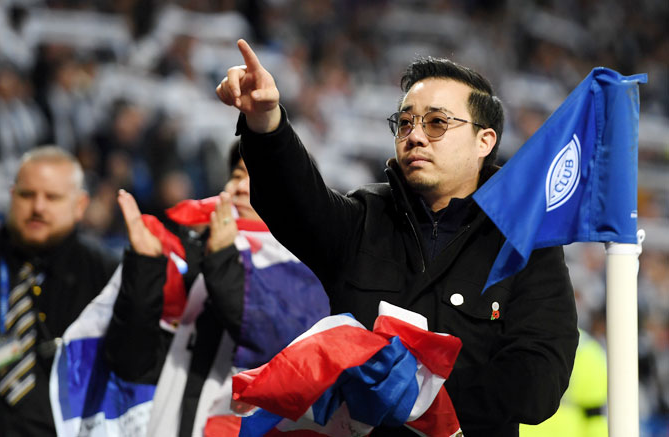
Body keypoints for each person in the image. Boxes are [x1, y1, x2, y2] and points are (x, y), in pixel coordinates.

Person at [215, 39, 579, 436]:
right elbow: (295, 204)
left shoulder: (526, 245)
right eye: (405, 122)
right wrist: (266, 122)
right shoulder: (364, 216)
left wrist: (425, 399)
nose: (415, 136)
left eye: (437, 122)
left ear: (484, 142)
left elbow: (539, 381)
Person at [104, 143, 330, 436]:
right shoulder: (194, 259)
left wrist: (222, 261)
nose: (239, 188)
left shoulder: (312, 273)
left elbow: (273, 344)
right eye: (237, 175)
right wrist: (145, 266)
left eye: (261, 178)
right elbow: (131, 363)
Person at [0, 146, 119, 436]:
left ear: (80, 205)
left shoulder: (107, 274)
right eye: (27, 195)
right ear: (12, 196)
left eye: (52, 197)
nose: (38, 207)